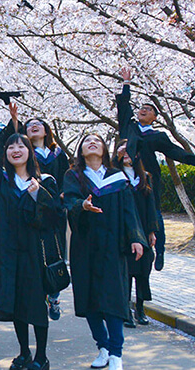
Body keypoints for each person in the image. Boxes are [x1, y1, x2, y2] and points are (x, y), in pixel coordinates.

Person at [0, 101, 62, 370]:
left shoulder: (45, 182)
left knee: (35, 305)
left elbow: (55, 217)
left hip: (34, 252)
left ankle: (41, 356)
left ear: (30, 152)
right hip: (6, 251)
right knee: (16, 303)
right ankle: (23, 352)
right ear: (5, 153)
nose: (16, 150)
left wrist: (38, 195)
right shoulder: (0, 181)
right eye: (10, 147)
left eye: (21, 146)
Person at [63, 133, 146, 370]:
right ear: (81, 149)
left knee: (114, 298)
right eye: (87, 140)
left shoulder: (117, 178)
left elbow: (130, 210)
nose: (92, 142)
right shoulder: (73, 176)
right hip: (85, 245)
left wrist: (136, 238)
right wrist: (82, 205)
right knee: (90, 299)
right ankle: (103, 347)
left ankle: (116, 354)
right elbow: (68, 201)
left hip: (112, 245)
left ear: (104, 150)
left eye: (97, 141)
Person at [116, 67, 195, 271]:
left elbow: (178, 153)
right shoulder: (129, 127)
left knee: (155, 214)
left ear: (155, 118)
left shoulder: (158, 136)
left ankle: (159, 251)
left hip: (148, 179)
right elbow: (124, 106)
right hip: (125, 176)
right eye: (142, 107)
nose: (143, 110)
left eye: (149, 109)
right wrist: (126, 83)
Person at [19, 111, 71, 322]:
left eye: (38, 123)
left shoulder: (57, 153)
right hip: (31, 205)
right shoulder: (22, 151)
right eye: (29, 124)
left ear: (46, 130)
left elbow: (68, 176)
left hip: (55, 209)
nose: (34, 125)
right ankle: (39, 296)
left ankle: (54, 296)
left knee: (55, 251)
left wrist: (64, 194)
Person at [112, 139, 158, 328]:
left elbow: (151, 206)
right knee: (126, 272)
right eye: (123, 151)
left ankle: (140, 308)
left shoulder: (144, 177)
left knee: (143, 271)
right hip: (123, 232)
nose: (127, 155)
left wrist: (152, 231)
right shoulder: (114, 177)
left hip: (143, 229)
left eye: (131, 151)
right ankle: (126, 311)